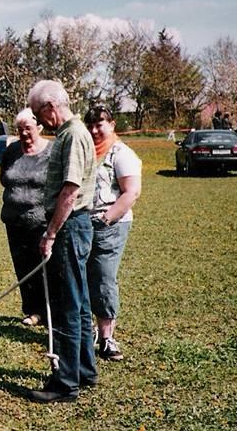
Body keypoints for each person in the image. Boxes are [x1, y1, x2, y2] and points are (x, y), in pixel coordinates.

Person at [26, 80, 97, 404]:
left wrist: (50, 233)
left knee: (67, 306)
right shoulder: (76, 132)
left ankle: (65, 382)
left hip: (69, 228)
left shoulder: (71, 135)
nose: (39, 123)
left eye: (40, 115)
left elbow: (69, 192)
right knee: (80, 302)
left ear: (51, 106)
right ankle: (84, 369)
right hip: (77, 227)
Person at [83, 106, 142, 362]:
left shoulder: (122, 154)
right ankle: (89, 332)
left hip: (110, 225)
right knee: (84, 277)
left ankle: (107, 338)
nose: (95, 130)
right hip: (83, 223)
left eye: (100, 125)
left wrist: (107, 219)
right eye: (91, 125)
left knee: (104, 279)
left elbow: (131, 192)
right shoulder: (87, 153)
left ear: (112, 124)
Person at [0, 108, 54, 327]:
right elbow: (5, 178)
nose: (23, 134)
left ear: (39, 127)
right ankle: (33, 311)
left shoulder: (51, 151)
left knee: (45, 268)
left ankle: (52, 312)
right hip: (13, 221)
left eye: (28, 129)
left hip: (41, 222)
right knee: (23, 268)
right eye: (19, 129)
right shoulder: (12, 150)